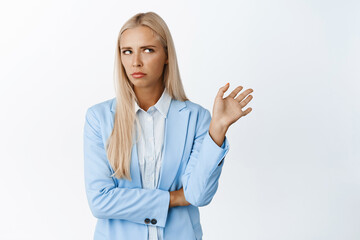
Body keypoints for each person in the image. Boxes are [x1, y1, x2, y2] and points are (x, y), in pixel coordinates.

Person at [83, 11, 254, 240]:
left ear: (166, 55)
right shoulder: (99, 118)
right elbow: (100, 202)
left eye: (147, 50)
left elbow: (198, 195)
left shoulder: (197, 118)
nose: (136, 61)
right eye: (127, 51)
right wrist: (172, 198)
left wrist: (217, 130)